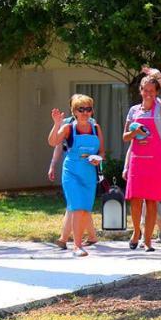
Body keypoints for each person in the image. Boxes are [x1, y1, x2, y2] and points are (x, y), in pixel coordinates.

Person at [47, 95, 103, 256]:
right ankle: (77, 246)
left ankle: (80, 240)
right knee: (77, 207)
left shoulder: (96, 128)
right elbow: (52, 142)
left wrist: (98, 159)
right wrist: (57, 123)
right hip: (71, 173)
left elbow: (102, 151)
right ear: (74, 111)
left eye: (88, 109)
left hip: (89, 174)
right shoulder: (68, 128)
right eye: (81, 109)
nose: (85, 112)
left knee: (85, 209)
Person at [123, 68, 161, 251]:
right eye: (146, 90)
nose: (149, 94)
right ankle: (136, 232)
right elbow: (125, 137)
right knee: (135, 200)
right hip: (137, 159)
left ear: (156, 92)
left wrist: (159, 76)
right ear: (141, 91)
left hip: (156, 160)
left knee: (152, 201)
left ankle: (148, 240)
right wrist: (135, 132)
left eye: (153, 90)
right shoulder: (134, 111)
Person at [48, 144, 99, 250]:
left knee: (79, 205)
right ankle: (90, 236)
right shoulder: (66, 128)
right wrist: (52, 164)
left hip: (86, 171)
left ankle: (64, 239)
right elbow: (58, 145)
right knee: (76, 204)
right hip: (71, 171)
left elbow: (99, 149)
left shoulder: (92, 128)